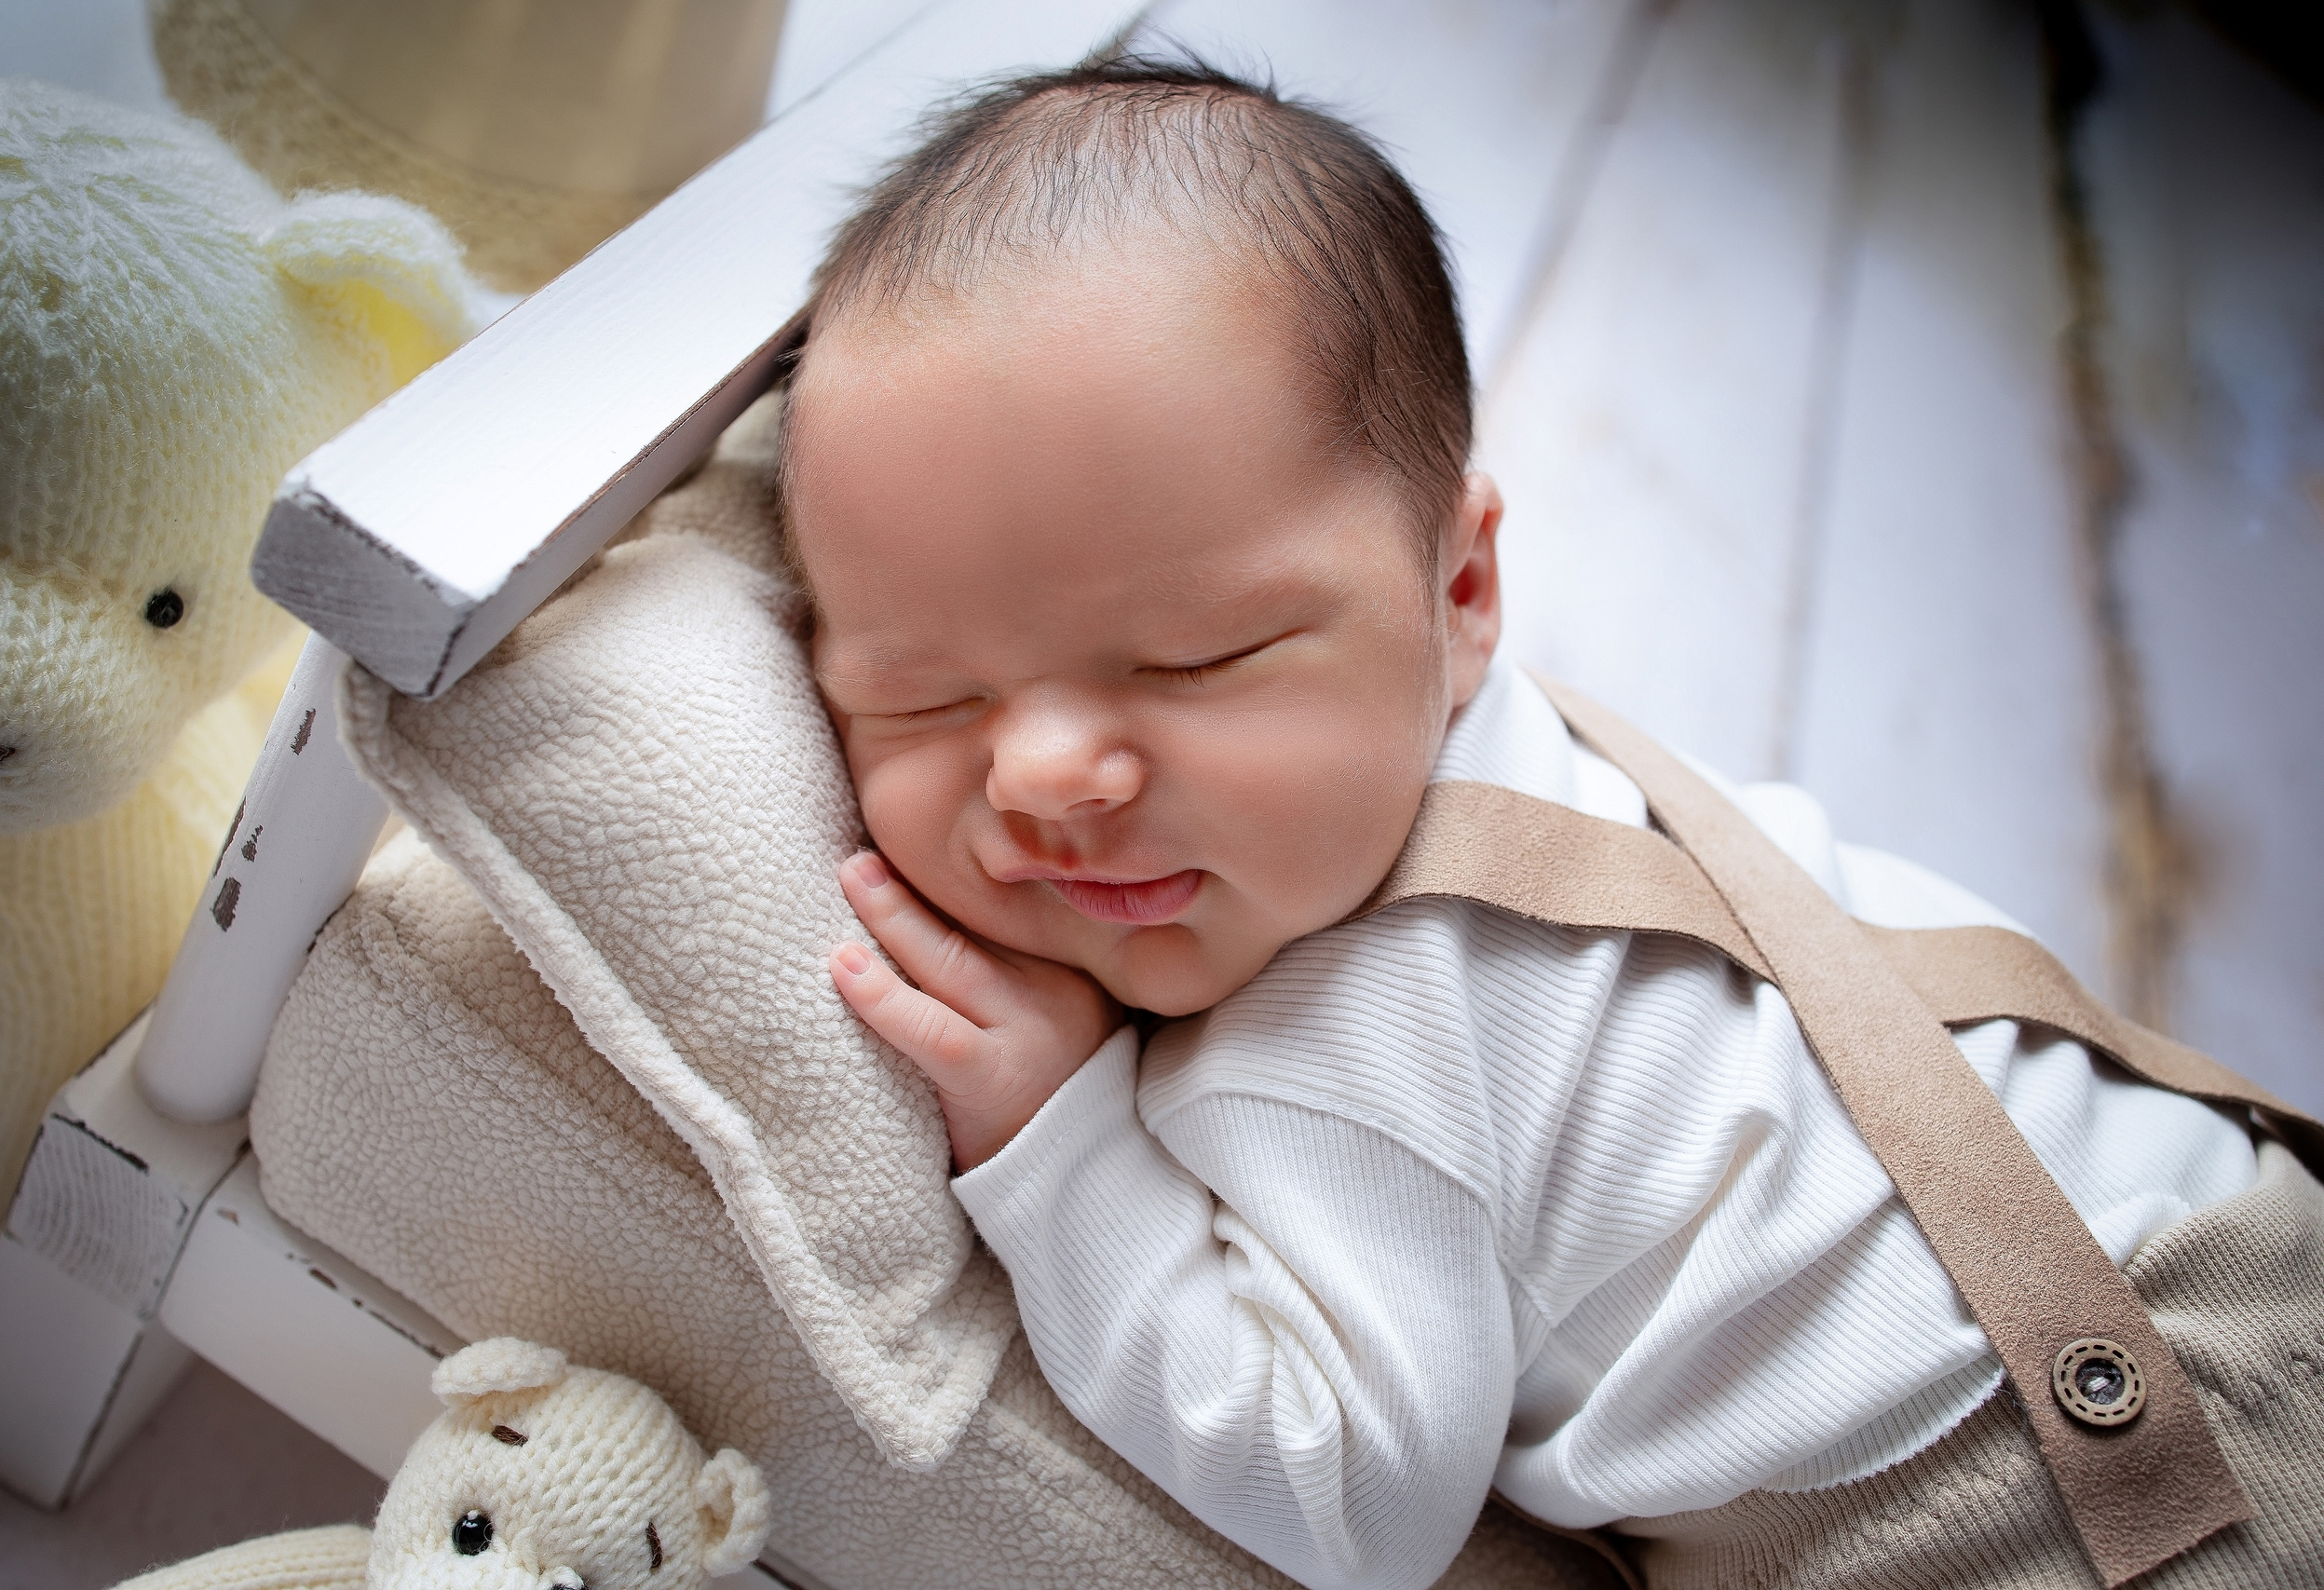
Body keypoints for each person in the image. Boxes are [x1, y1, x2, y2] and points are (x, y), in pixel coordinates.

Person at [779, 59, 2322, 1590]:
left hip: (2082, 1502)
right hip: (2221, 1244)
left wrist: (1066, 1160)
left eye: (1194, 660)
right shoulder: (1483, 754)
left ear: (1457, 591)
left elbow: (1352, 1504)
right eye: (924, 699)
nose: (1044, 773)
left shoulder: (1350, 1038)